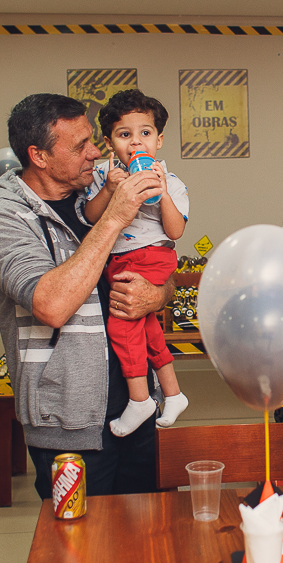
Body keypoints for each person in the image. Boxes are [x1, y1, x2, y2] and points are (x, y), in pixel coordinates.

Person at [0, 92, 173, 499]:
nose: (96, 152)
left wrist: (156, 296)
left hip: (139, 407)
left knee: (146, 541)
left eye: (93, 140)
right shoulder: (4, 221)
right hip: (68, 424)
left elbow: (162, 273)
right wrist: (116, 215)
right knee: (79, 553)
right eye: (80, 145)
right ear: (40, 156)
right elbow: (51, 305)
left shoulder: (96, 194)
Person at [84, 89, 190, 437]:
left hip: (151, 257)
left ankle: (140, 398)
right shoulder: (103, 176)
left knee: (121, 325)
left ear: (159, 140)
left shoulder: (171, 181)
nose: (135, 142)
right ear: (109, 143)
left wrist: (160, 195)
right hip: (118, 259)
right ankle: (173, 393)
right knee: (146, 328)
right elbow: (90, 216)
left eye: (145, 133)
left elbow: (175, 231)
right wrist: (109, 192)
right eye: (124, 134)